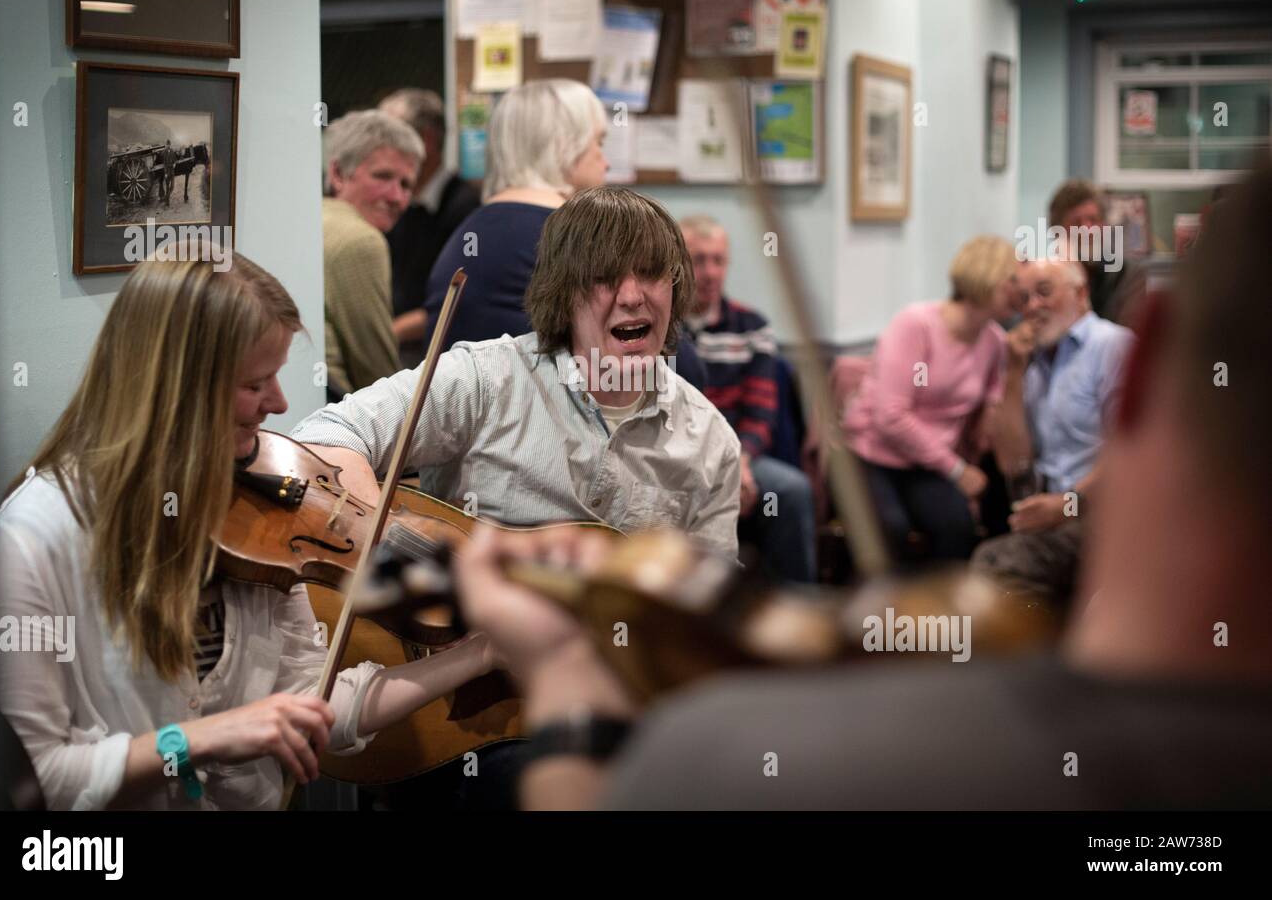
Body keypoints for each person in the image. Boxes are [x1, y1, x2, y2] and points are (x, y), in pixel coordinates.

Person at [450, 165, 1272, 810]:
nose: (632, 296)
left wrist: (565, 687)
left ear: (1147, 358)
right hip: (890, 460)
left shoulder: (757, 768)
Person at [0, 249, 500, 810]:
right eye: (256, 384)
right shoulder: (35, 536)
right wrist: (198, 740)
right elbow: (41, 777)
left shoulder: (260, 519)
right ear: (173, 386)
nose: (279, 404)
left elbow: (312, 696)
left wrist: (476, 656)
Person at [293, 185, 740, 561]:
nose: (631, 296)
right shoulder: (485, 379)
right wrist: (401, 544)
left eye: (650, 274)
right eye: (604, 277)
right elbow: (327, 435)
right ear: (564, 295)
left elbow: (714, 600)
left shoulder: (711, 442)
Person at [419, 80, 708, 388]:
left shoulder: (467, 233)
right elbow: (682, 372)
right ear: (564, 145)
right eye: (598, 143)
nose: (606, 162)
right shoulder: (573, 238)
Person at [843, 236, 1019, 562]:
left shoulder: (994, 340)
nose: (1019, 292)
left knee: (957, 527)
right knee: (890, 531)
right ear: (987, 275)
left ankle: (938, 612)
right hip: (874, 456)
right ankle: (882, 612)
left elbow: (990, 403)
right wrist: (956, 470)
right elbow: (890, 417)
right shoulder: (916, 324)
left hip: (927, 464)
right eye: (1012, 281)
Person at [971, 255, 1134, 601]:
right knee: (991, 559)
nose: (1034, 307)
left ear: (1081, 292)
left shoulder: (1112, 346)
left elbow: (1130, 453)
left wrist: (1067, 505)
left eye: (1044, 292)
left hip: (1104, 516)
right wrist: (1013, 371)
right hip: (1053, 512)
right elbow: (1012, 463)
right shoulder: (1036, 363)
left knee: (994, 566)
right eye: (1025, 299)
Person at [680, 215, 815, 584]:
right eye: (698, 260)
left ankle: (798, 613)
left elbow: (761, 413)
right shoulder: (660, 326)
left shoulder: (752, 326)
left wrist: (738, 462)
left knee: (790, 491)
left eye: (718, 260)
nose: (709, 272)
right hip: (680, 458)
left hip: (742, 455)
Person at [322, 110, 423, 397]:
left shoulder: (309, 217)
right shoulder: (361, 240)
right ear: (338, 173)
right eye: (382, 176)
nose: (397, 197)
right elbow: (377, 375)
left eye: (406, 185)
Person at [378, 89, 481, 369]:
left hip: (431, 359)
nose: (380, 149)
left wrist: (391, 332)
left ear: (425, 141)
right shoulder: (401, 203)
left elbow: (458, 298)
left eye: (391, 138)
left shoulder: (463, 206)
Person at [1046, 178, 1146, 328]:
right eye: (1076, 223)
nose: (1087, 230)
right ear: (1057, 232)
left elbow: (1126, 338)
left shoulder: (1129, 275)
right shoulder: (1046, 280)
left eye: (1093, 220)